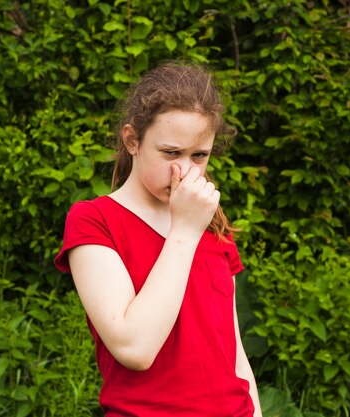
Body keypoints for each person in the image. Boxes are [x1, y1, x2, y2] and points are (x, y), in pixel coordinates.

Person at [54, 62, 262, 416]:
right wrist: (183, 232)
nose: (185, 170)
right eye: (170, 153)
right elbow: (135, 349)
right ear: (132, 140)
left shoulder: (210, 226)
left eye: (199, 156)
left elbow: (234, 354)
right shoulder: (95, 220)